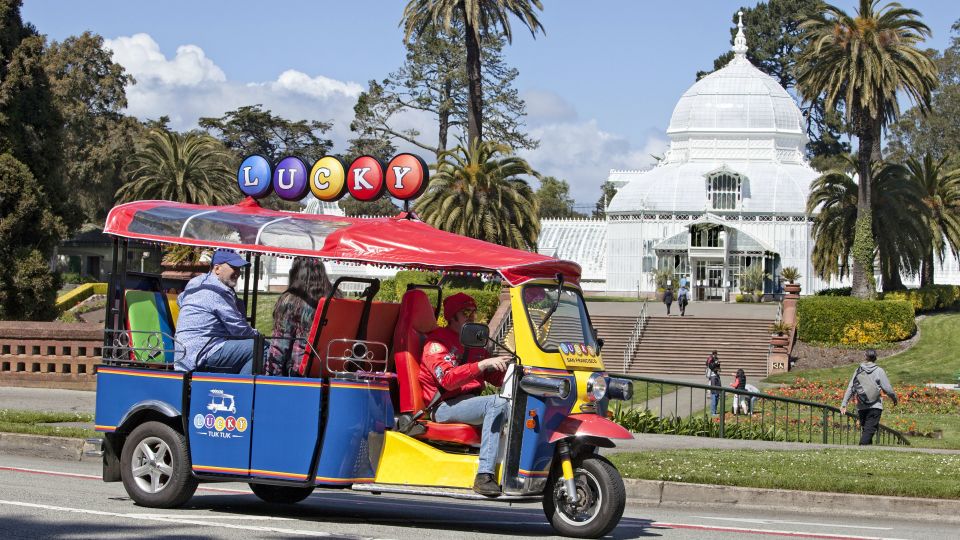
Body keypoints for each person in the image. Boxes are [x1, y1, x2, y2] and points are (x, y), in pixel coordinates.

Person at [419, 292, 513, 497]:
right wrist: (480, 365)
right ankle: (484, 475)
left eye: (473, 312)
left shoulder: (474, 344)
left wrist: (512, 368)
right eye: (465, 312)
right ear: (451, 317)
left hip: (470, 403)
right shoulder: (436, 343)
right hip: (444, 406)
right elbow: (448, 380)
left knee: (514, 403)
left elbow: (496, 378)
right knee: (496, 403)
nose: (471, 316)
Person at [174, 249, 260, 374]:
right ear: (217, 268)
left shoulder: (196, 283)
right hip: (202, 353)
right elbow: (239, 329)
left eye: (239, 269)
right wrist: (259, 336)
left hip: (186, 355)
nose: (238, 272)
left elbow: (180, 300)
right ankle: (241, 390)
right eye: (234, 268)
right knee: (260, 348)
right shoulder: (216, 291)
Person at [265, 257, 336, 376]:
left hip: (299, 374)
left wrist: (269, 376)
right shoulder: (335, 299)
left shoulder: (291, 301)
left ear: (296, 273)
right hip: (331, 369)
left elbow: (280, 346)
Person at [840, 349, 898, 445]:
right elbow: (887, 388)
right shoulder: (879, 371)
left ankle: (866, 450)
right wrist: (894, 398)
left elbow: (851, 387)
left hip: (861, 405)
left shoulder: (858, 370)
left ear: (865, 357)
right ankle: (861, 447)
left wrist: (844, 404)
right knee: (869, 430)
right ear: (875, 358)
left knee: (867, 430)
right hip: (875, 406)